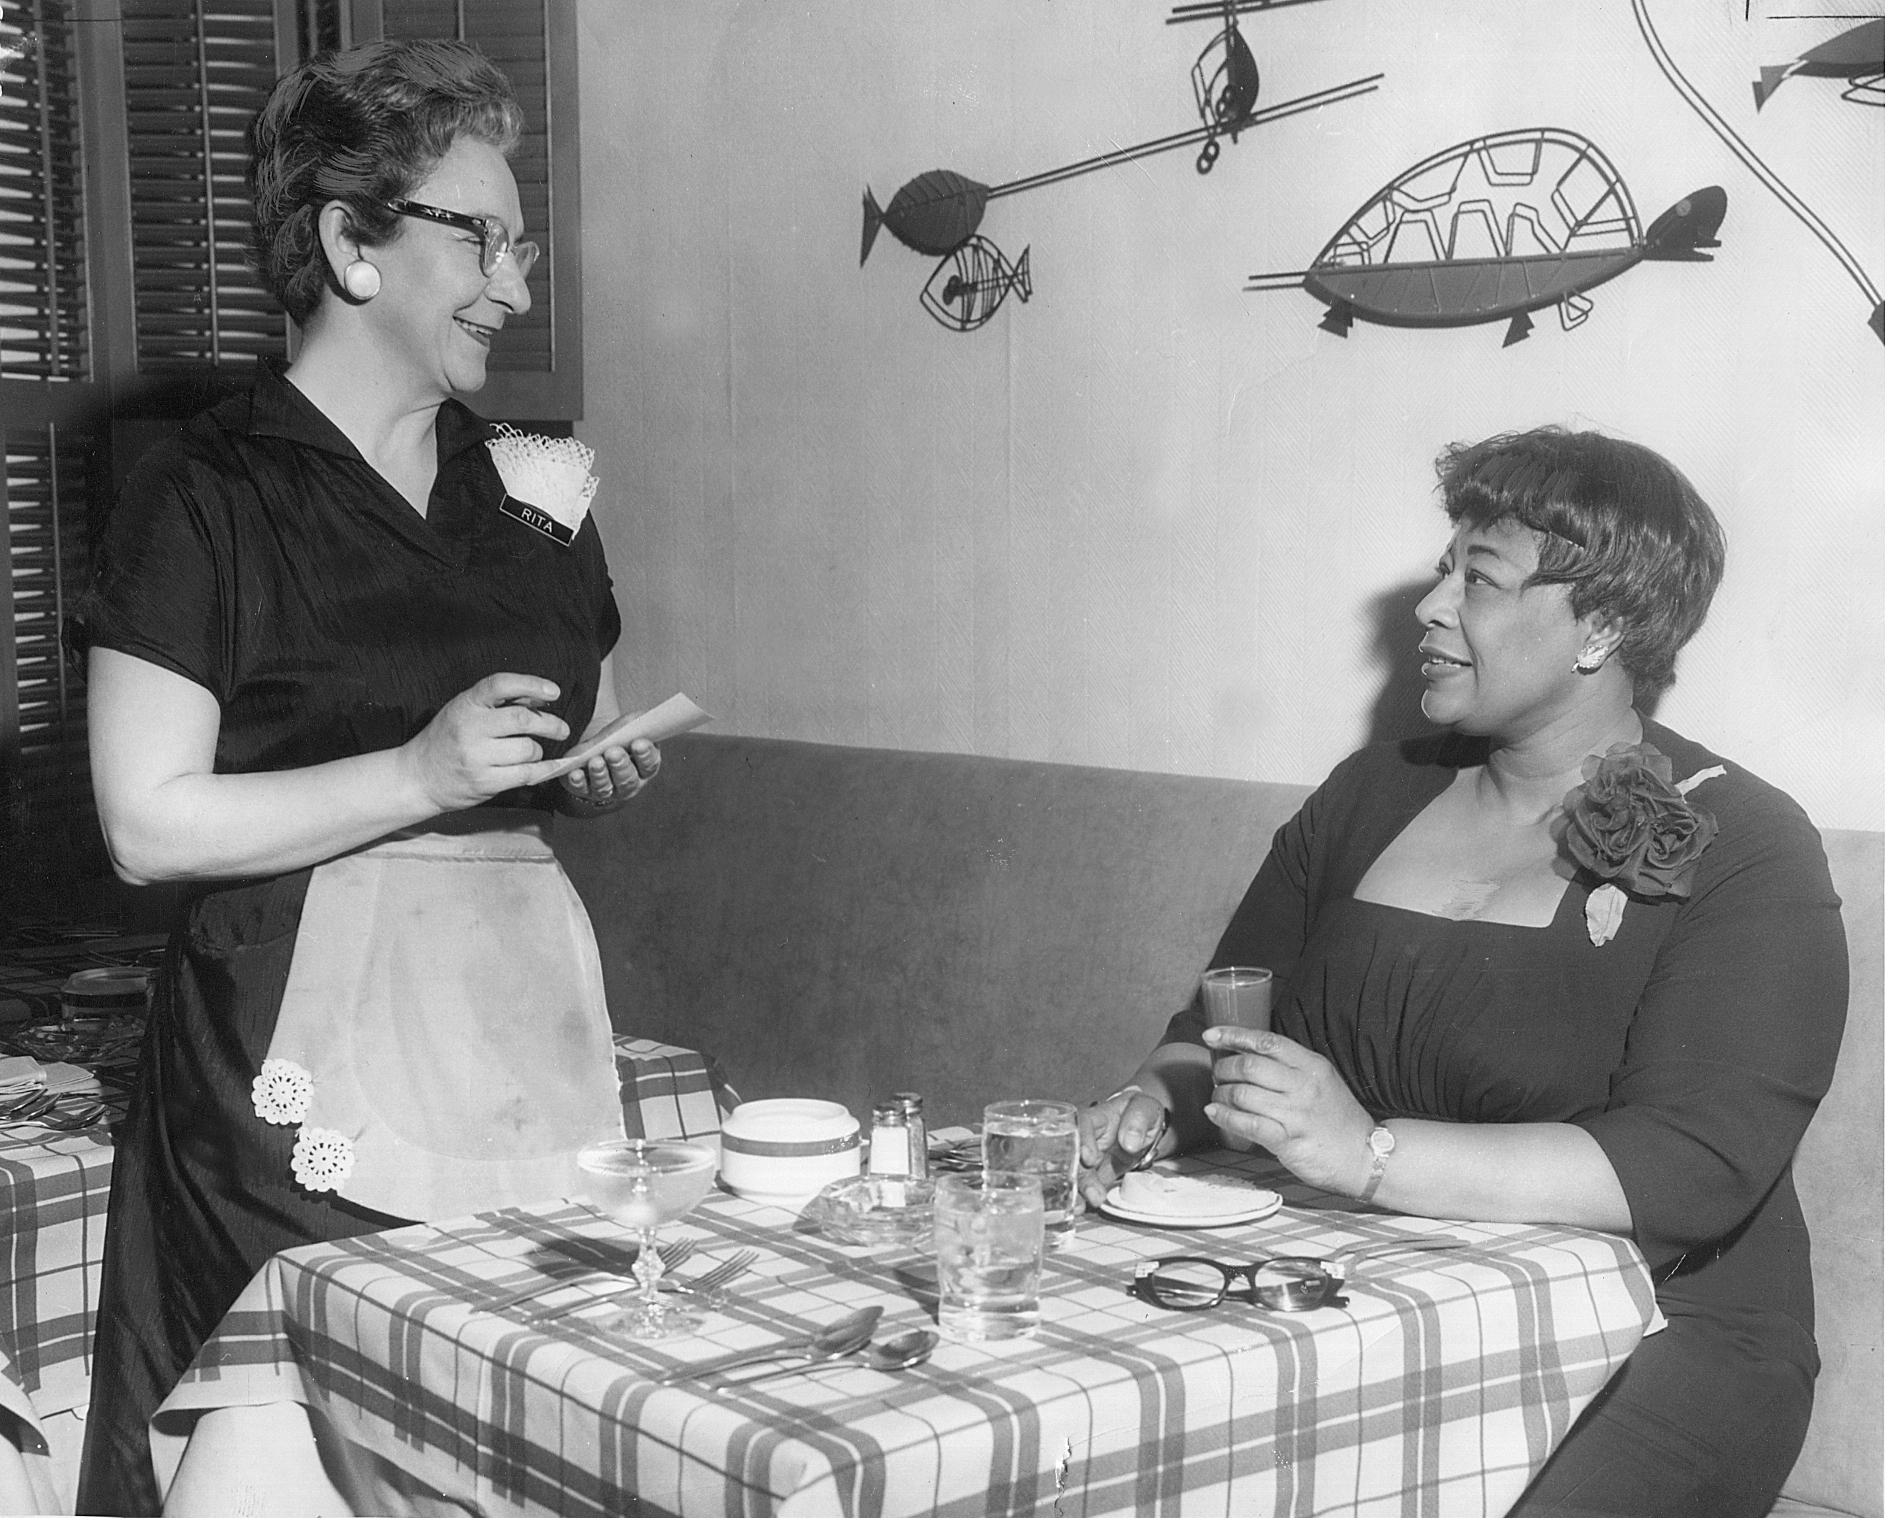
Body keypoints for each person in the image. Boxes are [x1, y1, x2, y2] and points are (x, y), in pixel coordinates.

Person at [75, 39, 659, 1516]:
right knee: (292, 1457)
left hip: (519, 1035)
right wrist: (418, 767)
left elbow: (545, 735)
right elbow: (147, 823)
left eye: (519, 245)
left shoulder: (532, 486)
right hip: (289, 1077)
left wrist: (583, 770)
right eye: (478, 239)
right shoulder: (207, 490)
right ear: (346, 242)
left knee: (508, 1444)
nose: (515, 288)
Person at [1078, 427, 1847, 1518]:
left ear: (1604, 627)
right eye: (1445, 567)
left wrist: (1365, 1152)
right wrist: (1151, 1102)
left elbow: (1690, 1167)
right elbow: (1215, 1028)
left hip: (1657, 1339)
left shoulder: (1746, 842)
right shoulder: (1369, 793)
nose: (1430, 607)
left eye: (1476, 579)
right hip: (1378, 1297)